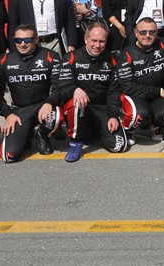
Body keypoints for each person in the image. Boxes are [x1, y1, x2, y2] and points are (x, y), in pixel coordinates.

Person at [50, 21, 128, 162]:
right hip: (78, 107)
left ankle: (93, 131)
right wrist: (74, 90)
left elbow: (114, 91)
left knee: (118, 146)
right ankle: (76, 143)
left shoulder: (112, 59)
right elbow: (61, 89)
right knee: (78, 103)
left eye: (101, 41)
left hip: (101, 108)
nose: (97, 45)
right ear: (86, 39)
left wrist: (113, 115)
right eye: (94, 40)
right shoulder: (71, 58)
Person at [0, 24, 61, 163]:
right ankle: (26, 134)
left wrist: (49, 102)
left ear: (36, 39)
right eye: (18, 40)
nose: (22, 44)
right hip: (19, 110)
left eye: (28, 40)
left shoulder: (50, 56)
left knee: (57, 114)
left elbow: (59, 86)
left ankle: (43, 135)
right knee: (9, 156)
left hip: (43, 106)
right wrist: (8, 114)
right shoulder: (3, 60)